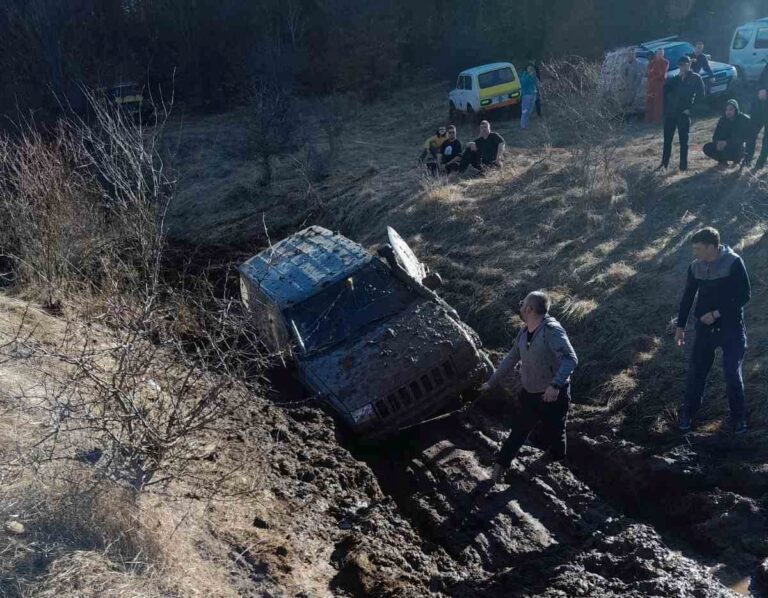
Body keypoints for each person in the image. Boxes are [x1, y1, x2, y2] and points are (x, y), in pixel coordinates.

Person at [480, 291, 578, 484]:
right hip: (531, 393)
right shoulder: (524, 332)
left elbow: (570, 359)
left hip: (554, 396)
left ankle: (557, 459)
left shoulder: (552, 331)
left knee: (556, 432)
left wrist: (555, 385)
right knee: (518, 431)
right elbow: (511, 358)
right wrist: (491, 382)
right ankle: (500, 467)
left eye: (522, 303)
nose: (520, 306)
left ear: (529, 309)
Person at [675, 227, 751, 434]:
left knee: (732, 373)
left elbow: (744, 296)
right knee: (696, 373)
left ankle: (739, 419)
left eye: (698, 248)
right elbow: (688, 297)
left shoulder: (734, 262)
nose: (695, 253)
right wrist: (680, 326)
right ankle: (687, 415)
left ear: (712, 247)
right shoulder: (695, 267)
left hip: (731, 327)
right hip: (704, 329)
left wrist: (717, 313)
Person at [659, 55, 705, 171]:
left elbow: (701, 96)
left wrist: (691, 109)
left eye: (684, 65)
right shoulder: (675, 78)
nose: (682, 67)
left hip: (683, 113)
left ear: (689, 65)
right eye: (680, 65)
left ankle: (683, 167)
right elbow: (665, 91)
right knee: (667, 140)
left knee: (683, 141)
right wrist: (676, 78)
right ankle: (664, 164)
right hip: (671, 113)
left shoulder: (695, 78)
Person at [702, 99, 752, 167]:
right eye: (726, 109)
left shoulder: (743, 119)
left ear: (736, 109)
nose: (728, 111)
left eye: (731, 109)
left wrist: (727, 142)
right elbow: (715, 135)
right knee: (707, 147)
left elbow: (745, 137)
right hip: (724, 147)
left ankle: (737, 160)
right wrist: (717, 142)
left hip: (737, 147)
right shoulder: (722, 120)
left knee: (741, 148)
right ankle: (723, 162)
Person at [748, 63, 768, 169]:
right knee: (751, 133)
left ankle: (761, 162)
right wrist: (760, 90)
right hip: (759, 107)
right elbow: (760, 82)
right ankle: (747, 159)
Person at [645, 48, 669, 124]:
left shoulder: (665, 62)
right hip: (650, 84)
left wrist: (655, 76)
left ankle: (657, 120)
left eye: (661, 54)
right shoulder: (651, 63)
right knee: (649, 101)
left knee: (658, 102)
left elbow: (663, 74)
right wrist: (654, 76)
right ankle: (648, 120)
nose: (660, 55)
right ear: (656, 54)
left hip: (659, 84)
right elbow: (649, 73)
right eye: (659, 53)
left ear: (663, 54)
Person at [519, 64, 539, 130]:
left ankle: (526, 125)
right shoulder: (524, 75)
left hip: (533, 94)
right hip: (526, 95)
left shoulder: (533, 75)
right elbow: (523, 83)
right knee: (525, 111)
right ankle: (523, 126)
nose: (530, 69)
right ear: (526, 69)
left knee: (530, 111)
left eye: (531, 68)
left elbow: (536, 83)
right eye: (529, 68)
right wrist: (529, 76)